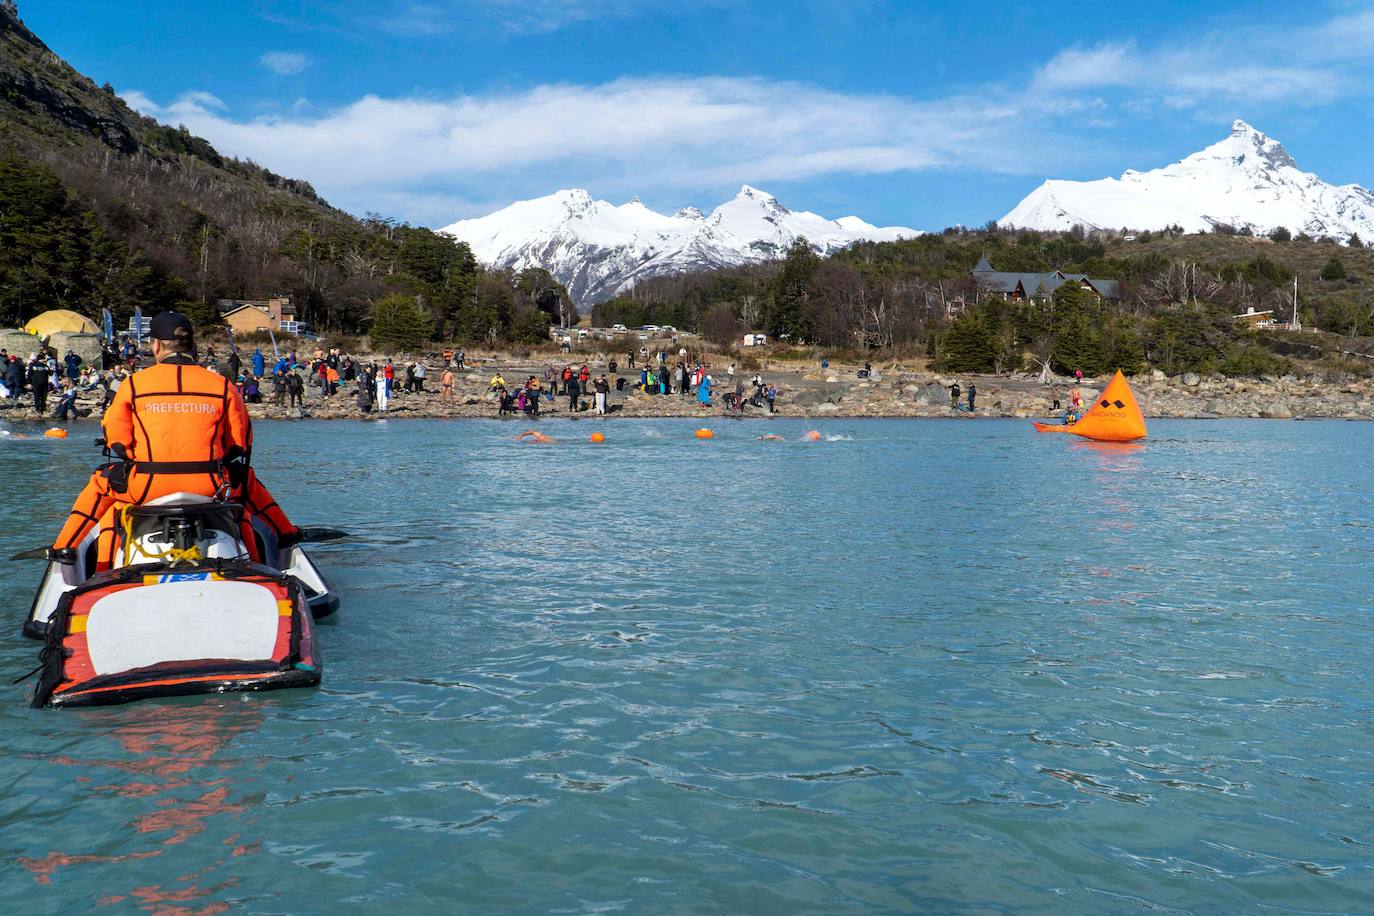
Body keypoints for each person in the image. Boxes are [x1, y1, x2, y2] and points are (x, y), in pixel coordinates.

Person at [49, 311, 297, 569]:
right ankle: (282, 537)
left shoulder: (133, 385)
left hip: (147, 485)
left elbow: (117, 442)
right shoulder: (222, 386)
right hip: (211, 485)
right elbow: (240, 444)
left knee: (106, 493)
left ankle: (66, 549)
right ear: (191, 344)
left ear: (155, 345)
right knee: (244, 490)